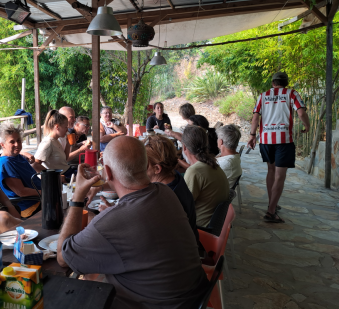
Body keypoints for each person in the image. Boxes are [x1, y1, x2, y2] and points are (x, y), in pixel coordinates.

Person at [57, 136, 208, 309]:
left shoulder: (111, 223)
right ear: (145, 165)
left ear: (108, 171)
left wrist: (77, 198)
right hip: (192, 299)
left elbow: (63, 258)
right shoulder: (166, 192)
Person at [248, 72, 310, 223]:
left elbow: (256, 117)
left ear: (273, 82)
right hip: (284, 140)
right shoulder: (292, 93)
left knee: (271, 170)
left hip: (266, 140)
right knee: (280, 176)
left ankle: (272, 204)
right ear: (286, 83)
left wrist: (252, 135)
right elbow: (301, 112)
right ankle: (271, 212)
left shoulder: (263, 95)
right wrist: (308, 126)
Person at [143, 135, 200, 246]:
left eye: (143, 163)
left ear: (157, 169)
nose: (140, 167)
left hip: (182, 255)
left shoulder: (164, 198)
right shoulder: (175, 176)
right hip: (190, 243)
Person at [182, 125, 230, 227]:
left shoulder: (194, 171)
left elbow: (182, 208)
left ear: (184, 147)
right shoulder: (213, 164)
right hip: (215, 224)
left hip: (199, 227)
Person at [0, 121, 41, 219]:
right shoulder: (5, 163)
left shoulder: (17, 156)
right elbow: (21, 192)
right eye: (12, 142)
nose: (17, 144)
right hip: (28, 206)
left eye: (19, 140)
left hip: (39, 199)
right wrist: (46, 192)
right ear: (2, 144)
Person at [32, 110, 76, 179]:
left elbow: (65, 160)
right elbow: (35, 164)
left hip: (68, 171)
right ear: (57, 127)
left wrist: (68, 144)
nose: (67, 130)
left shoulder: (56, 140)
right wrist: (55, 176)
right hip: (63, 176)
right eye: (65, 127)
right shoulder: (48, 142)